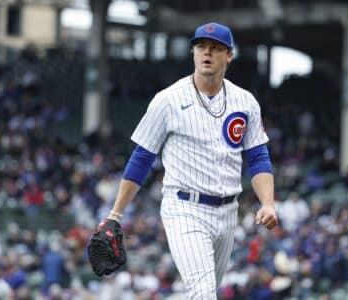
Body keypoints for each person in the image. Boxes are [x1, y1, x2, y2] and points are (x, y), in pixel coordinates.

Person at [105, 22, 278, 299]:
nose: (207, 53)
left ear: (229, 55)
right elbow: (142, 157)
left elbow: (258, 157)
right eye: (201, 47)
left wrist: (268, 203)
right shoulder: (168, 100)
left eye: (215, 48)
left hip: (227, 211)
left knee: (206, 292)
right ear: (194, 52)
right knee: (203, 292)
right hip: (184, 207)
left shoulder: (245, 102)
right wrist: (115, 214)